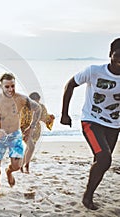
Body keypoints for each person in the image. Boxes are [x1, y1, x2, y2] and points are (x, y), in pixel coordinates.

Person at [60, 38, 120, 210]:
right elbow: (70, 85)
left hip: (114, 124)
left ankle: (90, 190)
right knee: (104, 159)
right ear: (111, 54)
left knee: (101, 161)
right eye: (118, 53)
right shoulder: (94, 71)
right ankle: (88, 196)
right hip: (91, 120)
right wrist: (64, 114)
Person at [0, 73, 41, 190]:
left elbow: (38, 108)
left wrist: (31, 127)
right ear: (0, 86)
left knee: (17, 166)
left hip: (15, 135)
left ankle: (9, 172)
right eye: (7, 87)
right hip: (0, 136)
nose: (10, 89)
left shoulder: (21, 99)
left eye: (13, 86)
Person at [20, 92, 55, 173]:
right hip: (25, 129)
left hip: (36, 130)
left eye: (37, 101)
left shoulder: (41, 107)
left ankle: (23, 165)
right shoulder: (24, 108)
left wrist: (50, 118)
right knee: (31, 147)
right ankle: (26, 165)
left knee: (29, 148)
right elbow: (19, 119)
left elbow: (44, 118)